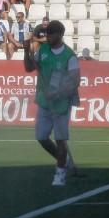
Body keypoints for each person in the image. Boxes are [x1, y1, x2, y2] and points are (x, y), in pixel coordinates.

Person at [23, 20, 80, 187]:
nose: (47, 37)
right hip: (44, 101)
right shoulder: (44, 50)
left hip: (62, 103)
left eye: (51, 34)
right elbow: (29, 68)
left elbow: (75, 81)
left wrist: (57, 92)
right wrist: (26, 51)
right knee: (41, 137)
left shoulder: (69, 56)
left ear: (60, 35)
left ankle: (60, 174)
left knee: (61, 139)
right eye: (47, 34)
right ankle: (64, 160)